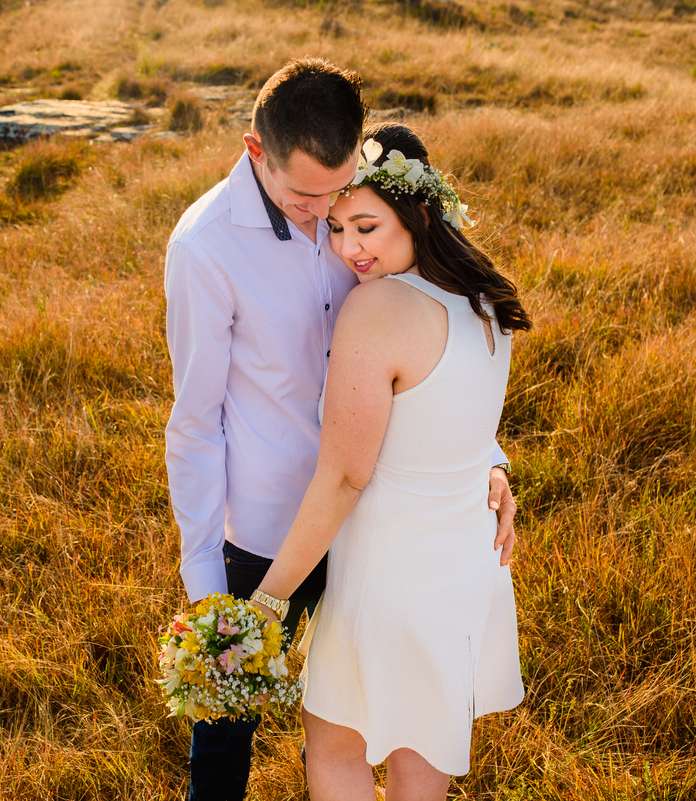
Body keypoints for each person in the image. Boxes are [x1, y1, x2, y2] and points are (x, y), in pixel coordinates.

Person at [163, 61, 518, 801]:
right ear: (256, 152)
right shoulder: (204, 250)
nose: (324, 219)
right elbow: (194, 425)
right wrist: (209, 593)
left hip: (371, 532)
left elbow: (428, 375)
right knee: (227, 733)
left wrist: (490, 462)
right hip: (270, 532)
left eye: (339, 197)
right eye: (306, 200)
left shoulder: (358, 211)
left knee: (350, 722)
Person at [248, 122, 532, 800]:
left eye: (367, 227)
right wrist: (497, 471)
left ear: (417, 212)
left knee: (338, 745)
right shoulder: (485, 299)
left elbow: (346, 474)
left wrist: (269, 597)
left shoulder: (378, 309)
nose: (350, 249)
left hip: (388, 577)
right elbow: (457, 422)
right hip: (463, 569)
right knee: (421, 749)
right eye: (339, 228)